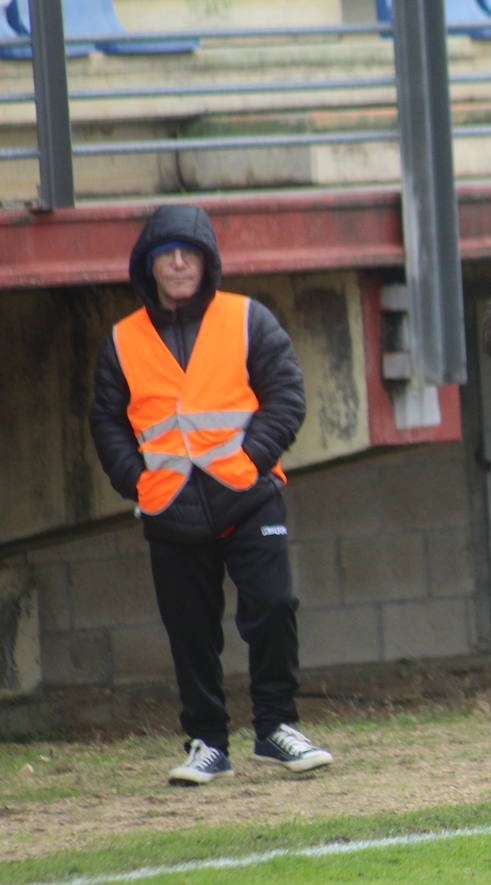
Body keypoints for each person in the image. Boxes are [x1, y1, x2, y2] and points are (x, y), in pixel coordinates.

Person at [89, 204, 333, 786]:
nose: (178, 262)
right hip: (170, 509)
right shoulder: (122, 340)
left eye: (189, 252)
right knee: (190, 632)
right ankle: (207, 743)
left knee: (273, 608)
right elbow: (108, 422)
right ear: (148, 266)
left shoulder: (249, 318)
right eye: (166, 254)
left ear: (207, 261)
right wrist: (139, 481)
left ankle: (277, 728)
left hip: (249, 498)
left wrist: (249, 461)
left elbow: (287, 396)